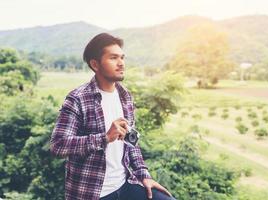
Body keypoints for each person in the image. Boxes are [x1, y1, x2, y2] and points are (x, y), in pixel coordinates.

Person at [50, 33, 176, 200]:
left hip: (125, 185)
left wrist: (144, 175)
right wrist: (105, 137)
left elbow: (132, 143)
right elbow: (58, 145)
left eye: (122, 57)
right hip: (91, 193)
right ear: (95, 64)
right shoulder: (78, 99)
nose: (121, 63)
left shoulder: (125, 97)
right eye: (113, 58)